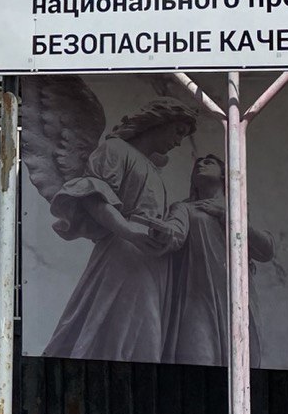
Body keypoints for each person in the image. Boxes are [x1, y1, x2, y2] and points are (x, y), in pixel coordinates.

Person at [43, 98, 197, 362]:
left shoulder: (151, 167)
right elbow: (94, 196)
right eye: (178, 131)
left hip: (150, 261)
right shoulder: (116, 149)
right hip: (125, 254)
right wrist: (129, 232)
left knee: (144, 335)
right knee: (116, 330)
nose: (179, 142)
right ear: (159, 121)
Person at [164, 153, 275, 366]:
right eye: (197, 164)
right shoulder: (184, 208)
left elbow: (266, 250)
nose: (200, 165)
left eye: (209, 162)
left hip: (234, 297)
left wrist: (227, 216)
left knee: (240, 363)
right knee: (198, 357)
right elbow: (173, 232)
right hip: (197, 295)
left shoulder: (239, 208)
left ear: (224, 174)